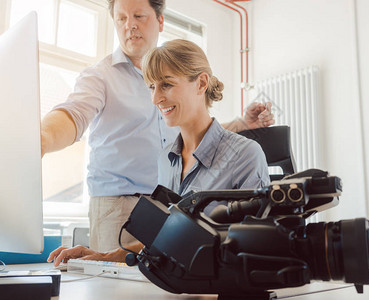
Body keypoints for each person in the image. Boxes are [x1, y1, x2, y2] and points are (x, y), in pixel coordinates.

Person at [41, 0, 274, 252]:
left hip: (165, 202)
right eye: (121, 19)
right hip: (120, 203)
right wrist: (42, 139)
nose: (130, 25)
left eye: (139, 16)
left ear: (160, 20)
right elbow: (72, 114)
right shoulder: (100, 76)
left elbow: (200, 133)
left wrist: (241, 124)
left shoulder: (237, 152)